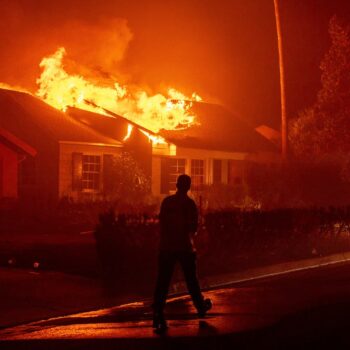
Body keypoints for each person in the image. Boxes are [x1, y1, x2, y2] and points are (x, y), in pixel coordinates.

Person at [152, 174, 212, 331]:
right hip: (184, 247)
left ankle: (158, 309)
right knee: (191, 279)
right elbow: (193, 228)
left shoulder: (167, 202)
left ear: (177, 185)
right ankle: (200, 306)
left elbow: (162, 223)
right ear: (188, 186)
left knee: (163, 280)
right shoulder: (190, 204)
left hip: (166, 247)